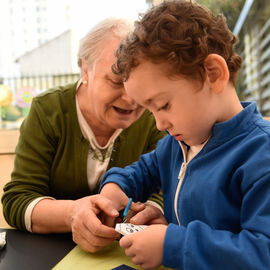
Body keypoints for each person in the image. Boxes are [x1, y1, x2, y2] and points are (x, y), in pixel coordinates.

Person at [99, 1, 270, 269]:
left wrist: (173, 245)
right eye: (150, 111)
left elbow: (262, 253)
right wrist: (113, 190)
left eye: (164, 105)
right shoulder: (176, 145)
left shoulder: (261, 155)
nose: (158, 124)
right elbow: (142, 172)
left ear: (213, 74)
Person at [1, 17, 167, 253]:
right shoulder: (48, 110)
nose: (130, 99)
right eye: (116, 81)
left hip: (129, 253)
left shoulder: (156, 117)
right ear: (85, 69)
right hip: (47, 254)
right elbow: (18, 200)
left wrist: (152, 211)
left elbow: (166, 188)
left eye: (139, 82)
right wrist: (71, 213)